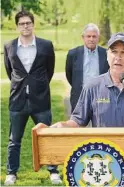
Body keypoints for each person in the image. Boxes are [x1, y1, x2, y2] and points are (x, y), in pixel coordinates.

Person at [38, 32, 124, 186]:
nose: (118, 57)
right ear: (107, 55)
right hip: (102, 162)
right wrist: (63, 125)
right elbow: (78, 120)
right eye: (114, 52)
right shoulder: (92, 87)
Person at [3, 10, 61, 185]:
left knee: (46, 136)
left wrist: (39, 85)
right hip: (17, 100)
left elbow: (49, 70)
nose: (25, 26)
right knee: (14, 139)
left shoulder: (45, 45)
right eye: (21, 24)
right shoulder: (9, 46)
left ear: (33, 24)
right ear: (17, 26)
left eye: (28, 23)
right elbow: (10, 71)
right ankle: (11, 173)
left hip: (41, 99)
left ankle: (53, 171)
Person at [65, 23, 109, 113]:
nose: (91, 39)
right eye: (88, 36)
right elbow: (69, 75)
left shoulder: (106, 53)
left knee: (101, 125)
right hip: (79, 96)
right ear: (83, 37)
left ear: (98, 37)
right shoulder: (73, 54)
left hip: (101, 97)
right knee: (78, 125)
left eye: (94, 36)